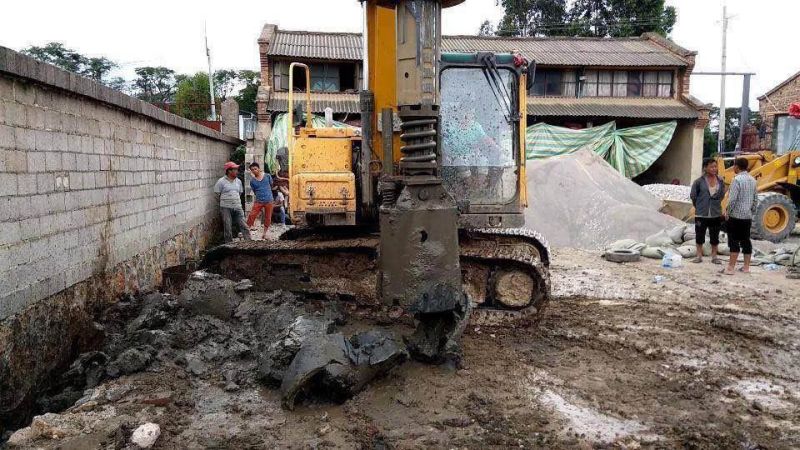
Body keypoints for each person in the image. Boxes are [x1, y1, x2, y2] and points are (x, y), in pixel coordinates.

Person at [723, 157, 759, 275]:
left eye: (734, 165)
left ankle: (731, 268)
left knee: (733, 241)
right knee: (745, 241)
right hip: (747, 217)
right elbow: (755, 200)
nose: (733, 167)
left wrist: (727, 212)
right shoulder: (753, 180)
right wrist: (751, 212)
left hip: (735, 216)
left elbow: (732, 199)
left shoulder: (736, 180)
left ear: (737, 167)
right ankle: (746, 267)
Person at [689, 158, 726, 264]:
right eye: (712, 166)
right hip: (701, 214)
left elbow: (722, 195)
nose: (714, 168)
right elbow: (693, 196)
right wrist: (700, 206)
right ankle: (699, 256)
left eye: (715, 166)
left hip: (715, 213)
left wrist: (715, 204)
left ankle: (714, 257)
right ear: (705, 168)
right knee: (699, 235)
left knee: (715, 236)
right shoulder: (698, 182)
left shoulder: (720, 181)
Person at [214, 162, 251, 243]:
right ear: (229, 171)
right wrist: (225, 202)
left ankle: (249, 243)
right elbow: (217, 195)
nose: (237, 171)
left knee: (244, 225)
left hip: (238, 206)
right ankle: (229, 245)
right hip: (225, 208)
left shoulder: (238, 181)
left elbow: (240, 193)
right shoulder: (221, 181)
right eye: (235, 169)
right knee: (227, 227)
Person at [246, 162, 285, 239]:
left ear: (259, 169)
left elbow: (270, 185)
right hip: (259, 201)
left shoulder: (267, 176)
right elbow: (254, 191)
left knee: (268, 217)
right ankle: (246, 231)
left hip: (269, 200)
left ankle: (265, 233)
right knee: (252, 215)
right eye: (252, 170)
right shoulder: (252, 181)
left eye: (255, 169)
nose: (254, 171)